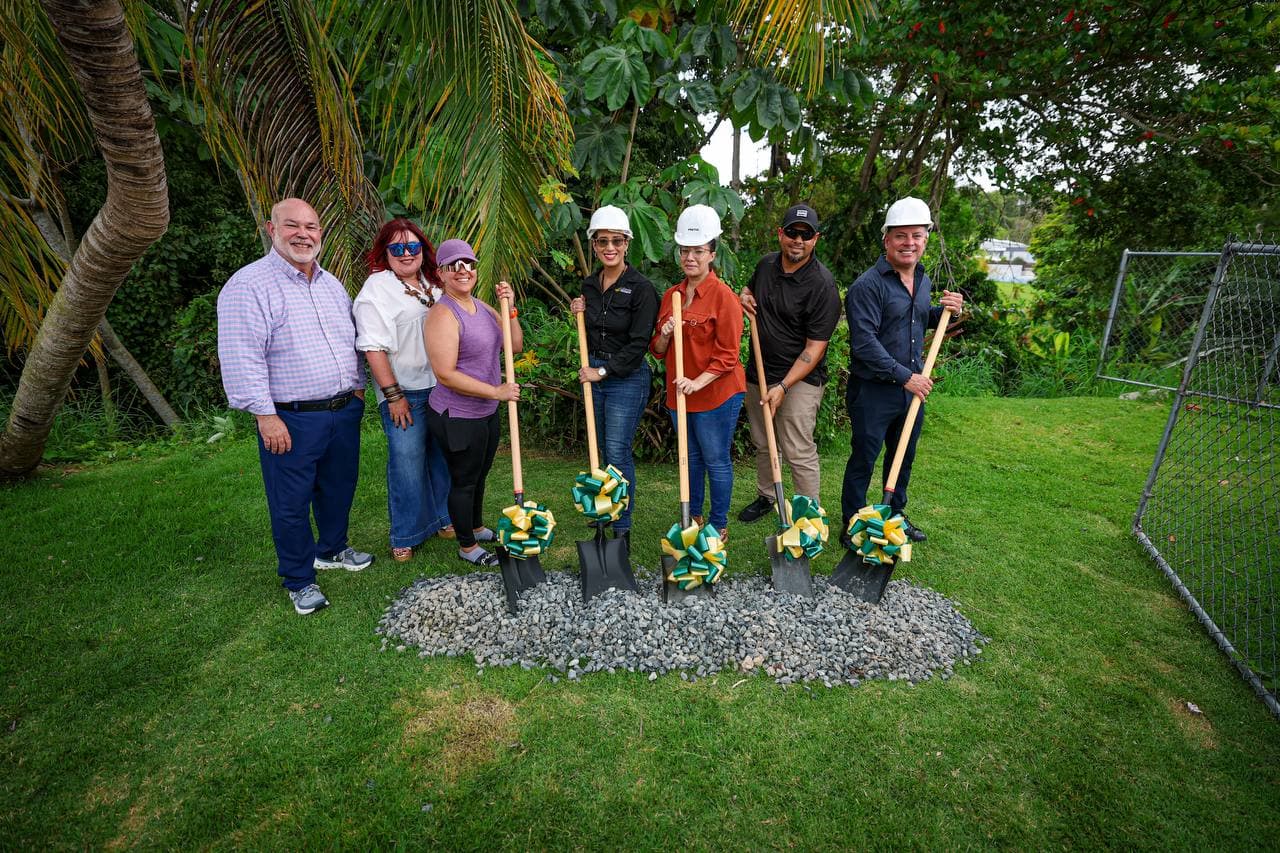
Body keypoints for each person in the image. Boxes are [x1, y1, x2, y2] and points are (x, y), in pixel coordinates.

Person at [217, 198, 372, 616]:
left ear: (320, 233)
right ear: (272, 229)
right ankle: (300, 579)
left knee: (338, 487)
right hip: (290, 417)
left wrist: (357, 392)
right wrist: (265, 416)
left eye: (311, 226)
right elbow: (241, 355)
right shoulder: (249, 285)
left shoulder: (330, 284)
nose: (303, 234)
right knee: (290, 501)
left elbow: (349, 341)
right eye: (292, 226)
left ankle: (333, 549)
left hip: (342, 411)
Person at [840, 196, 963, 544]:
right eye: (901, 236)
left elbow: (918, 319)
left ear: (925, 239)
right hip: (874, 390)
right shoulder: (868, 286)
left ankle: (894, 515)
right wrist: (907, 377)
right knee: (863, 459)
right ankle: (852, 522)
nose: (909, 243)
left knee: (903, 456)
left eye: (917, 235)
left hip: (912, 390)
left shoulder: (922, 280)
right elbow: (864, 345)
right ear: (886, 239)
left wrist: (947, 311)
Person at [353, 219, 454, 563]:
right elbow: (373, 348)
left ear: (424, 249)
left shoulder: (434, 281)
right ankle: (406, 533)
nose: (406, 253)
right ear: (385, 252)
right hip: (405, 392)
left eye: (413, 246)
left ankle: (444, 517)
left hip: (441, 387)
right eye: (397, 248)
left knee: (442, 457)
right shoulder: (377, 289)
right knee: (407, 463)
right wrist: (393, 396)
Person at [737, 203, 841, 523]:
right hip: (760, 372)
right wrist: (744, 296)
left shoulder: (823, 286)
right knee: (764, 441)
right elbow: (748, 291)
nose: (798, 240)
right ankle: (768, 496)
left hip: (799, 380)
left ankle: (809, 513)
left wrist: (783, 385)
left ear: (816, 239)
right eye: (792, 233)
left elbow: (814, 349)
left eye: (806, 235)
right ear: (780, 234)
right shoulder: (766, 266)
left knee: (796, 447)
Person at [423, 239, 523, 568]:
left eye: (468, 264)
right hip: (458, 415)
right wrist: (496, 392)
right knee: (464, 479)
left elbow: (516, 344)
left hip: (486, 412)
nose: (463, 271)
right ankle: (466, 545)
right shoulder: (442, 315)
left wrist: (508, 307)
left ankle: (476, 526)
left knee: (480, 474)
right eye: (454, 265)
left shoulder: (483, 308)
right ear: (441, 274)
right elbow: (446, 373)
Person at [649, 204, 746, 540]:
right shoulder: (671, 296)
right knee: (689, 459)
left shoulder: (724, 298)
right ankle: (694, 518)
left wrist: (697, 382)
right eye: (685, 250)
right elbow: (658, 351)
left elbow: (728, 356)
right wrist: (664, 334)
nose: (690, 257)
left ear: (712, 254)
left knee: (715, 459)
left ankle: (718, 525)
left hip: (717, 393)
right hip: (681, 395)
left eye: (698, 251)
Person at [569, 205, 659, 543]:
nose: (610, 247)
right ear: (594, 245)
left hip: (625, 378)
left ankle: (621, 527)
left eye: (617, 241)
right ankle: (604, 510)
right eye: (603, 241)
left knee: (618, 452)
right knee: (604, 452)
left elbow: (638, 345)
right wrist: (579, 311)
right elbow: (593, 330)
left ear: (626, 244)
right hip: (595, 372)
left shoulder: (641, 288)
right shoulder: (589, 286)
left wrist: (602, 372)